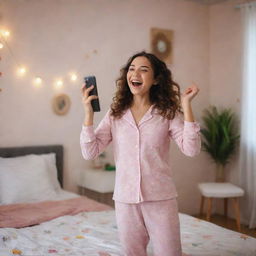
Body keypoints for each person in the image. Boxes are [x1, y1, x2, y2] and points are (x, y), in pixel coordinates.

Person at [80, 51, 201, 256]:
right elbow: (90, 152)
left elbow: (191, 149)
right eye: (132, 69)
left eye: (143, 70)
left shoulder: (166, 113)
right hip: (125, 200)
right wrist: (88, 115)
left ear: (155, 80)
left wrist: (187, 106)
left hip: (161, 199)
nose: (135, 74)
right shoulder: (115, 113)